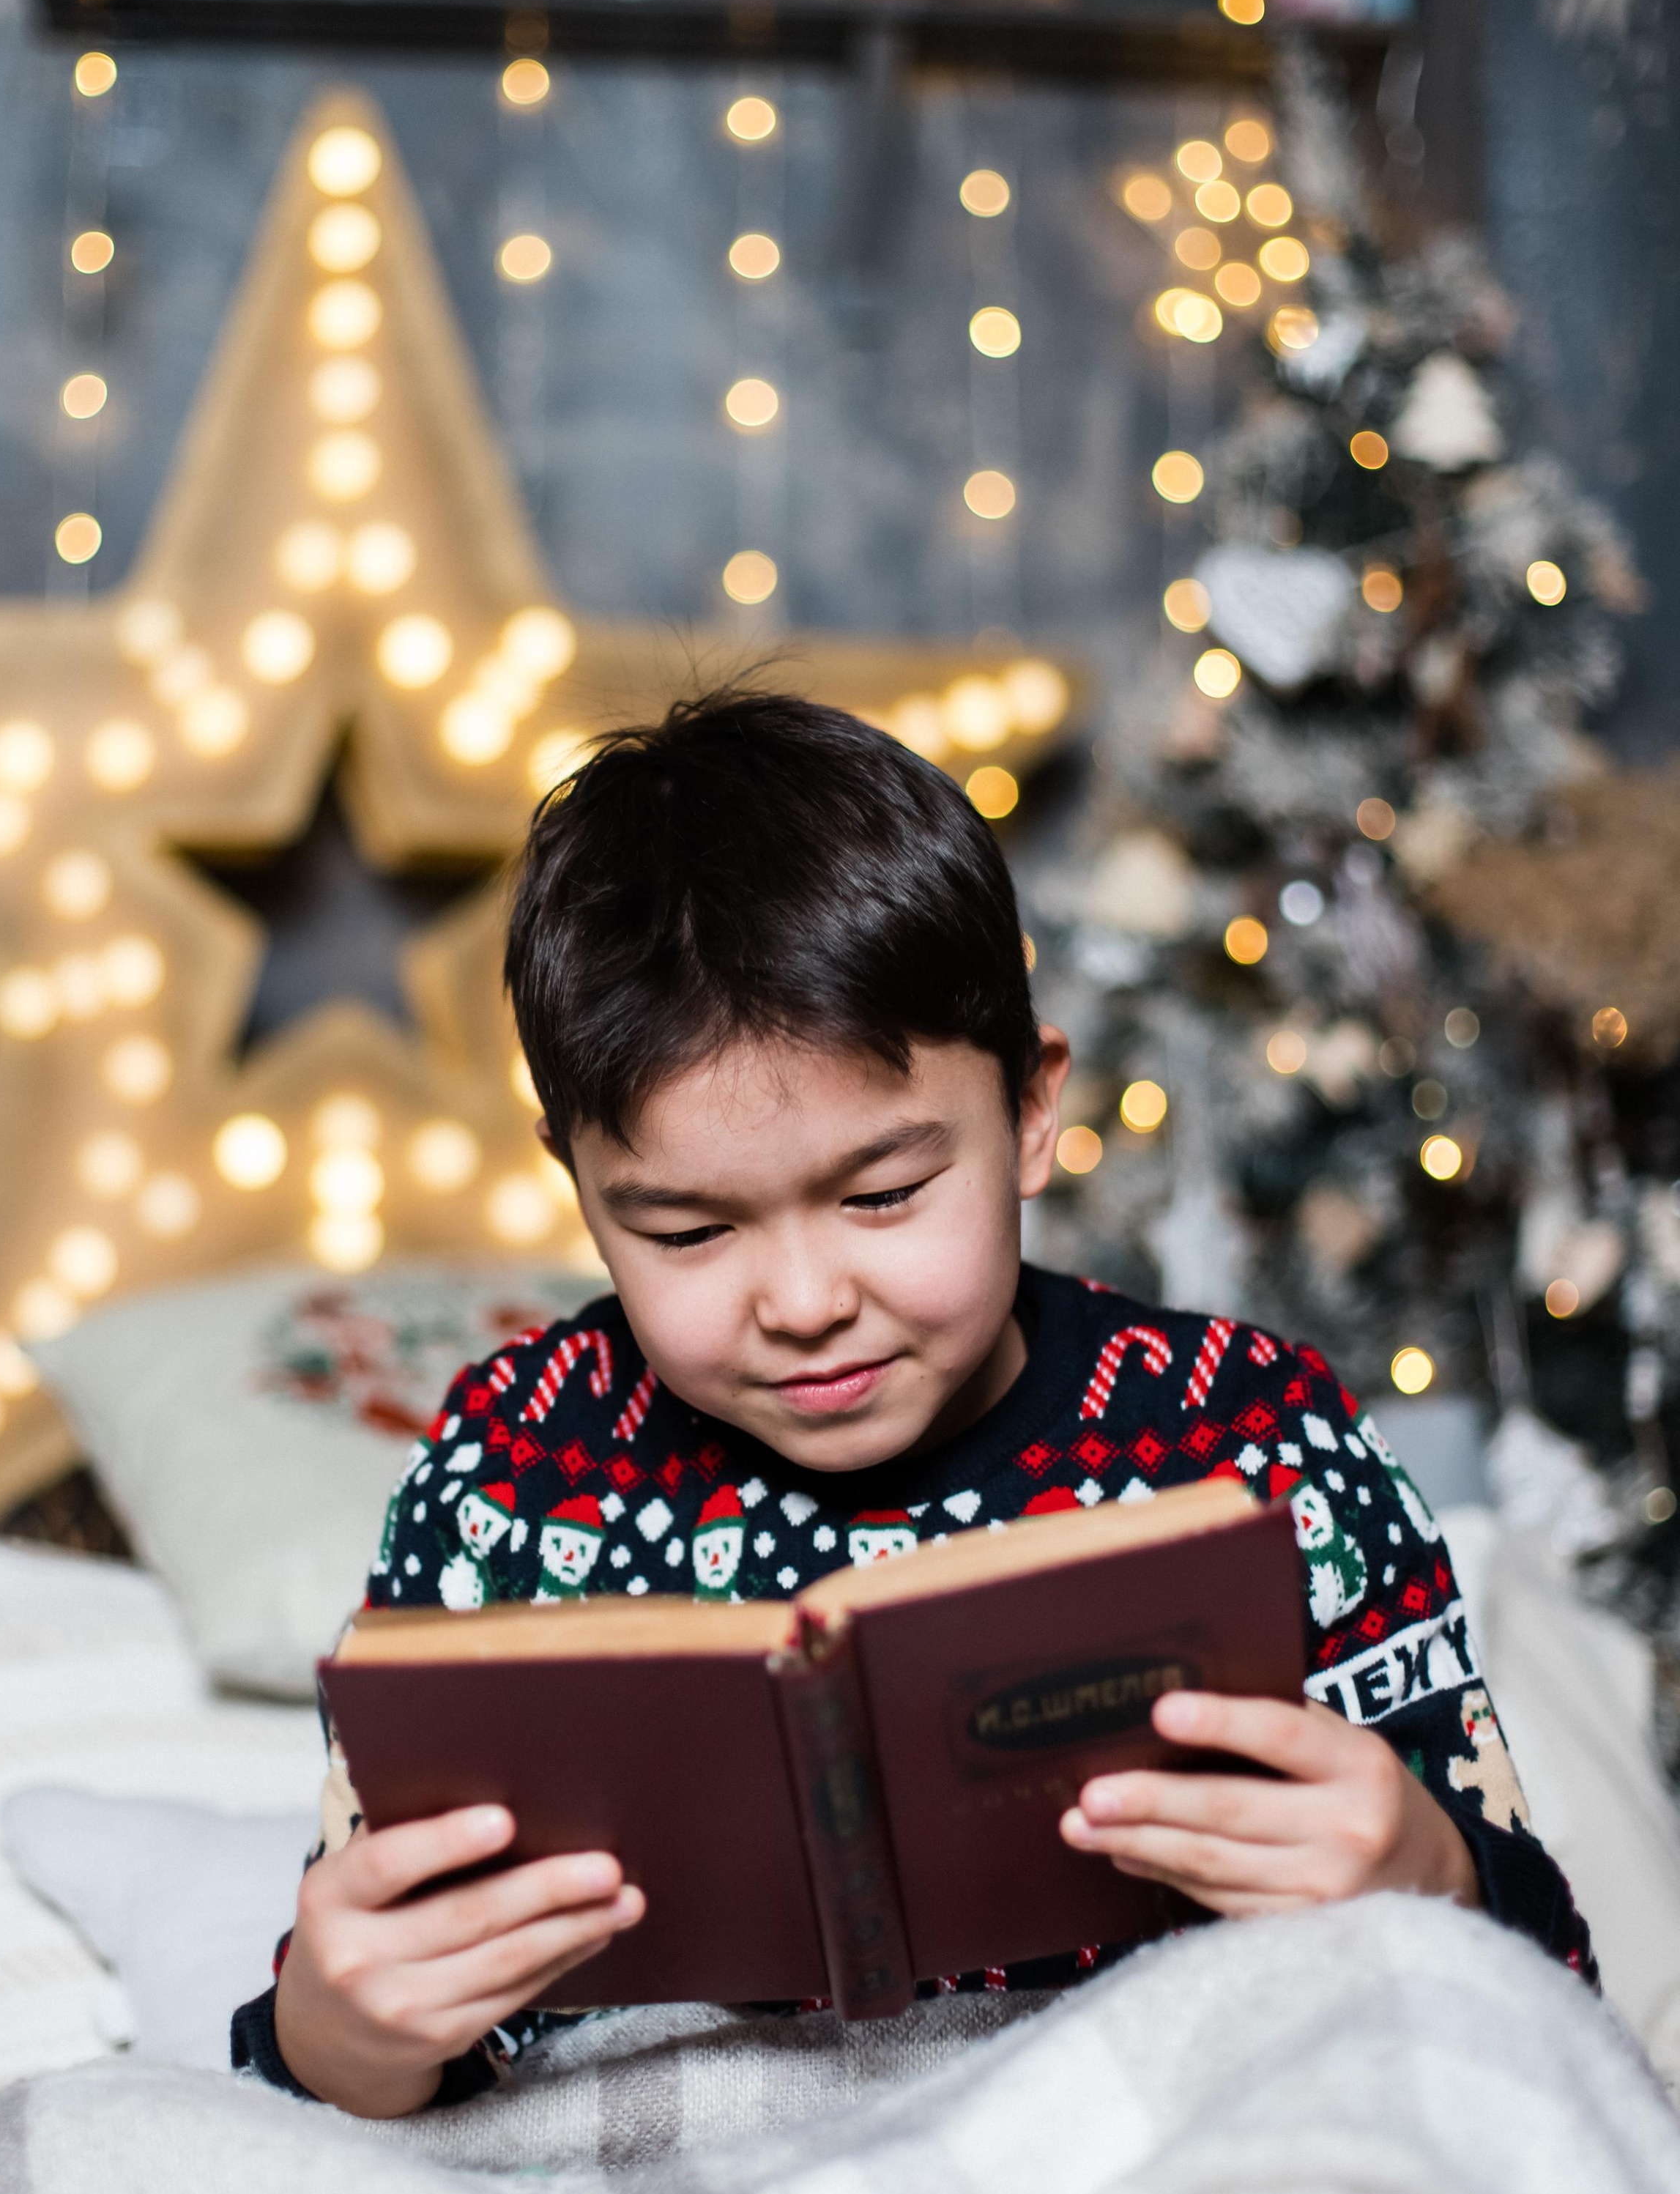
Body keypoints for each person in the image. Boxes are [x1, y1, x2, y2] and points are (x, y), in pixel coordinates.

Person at [234, 690, 1594, 2117]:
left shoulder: (1249, 1442)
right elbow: (336, 2053)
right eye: (687, 1234)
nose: (804, 1299)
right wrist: (345, 2032)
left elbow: (1546, 1986)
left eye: (883, 1195)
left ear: (1027, 1114)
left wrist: (1423, 1874)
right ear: (578, 1185)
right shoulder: (507, 1476)